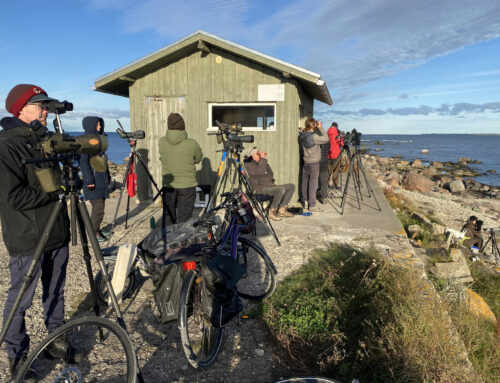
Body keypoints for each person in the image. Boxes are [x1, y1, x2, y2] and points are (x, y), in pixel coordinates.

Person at [0, 84, 72, 381]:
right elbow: (11, 197)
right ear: (19, 109)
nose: (45, 111)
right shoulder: (6, 145)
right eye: (39, 106)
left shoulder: (43, 140)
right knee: (21, 298)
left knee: (55, 291)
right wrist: (54, 191)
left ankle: (57, 337)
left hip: (56, 230)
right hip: (28, 236)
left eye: (46, 106)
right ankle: (17, 354)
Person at [159, 113, 202, 227]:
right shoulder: (192, 143)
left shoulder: (162, 142)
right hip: (187, 185)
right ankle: (182, 241)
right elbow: (198, 158)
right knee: (185, 217)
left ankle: (168, 239)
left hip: (169, 185)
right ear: (183, 125)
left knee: (168, 215)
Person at [80, 116, 111, 242]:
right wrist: (89, 180)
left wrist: (107, 178)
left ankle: (97, 230)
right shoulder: (87, 141)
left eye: (100, 124)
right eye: (97, 125)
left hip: (101, 179)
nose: (99, 127)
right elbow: (83, 162)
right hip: (93, 181)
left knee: (100, 207)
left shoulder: (98, 140)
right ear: (90, 125)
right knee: (98, 208)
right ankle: (93, 234)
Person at [243, 147, 295, 221]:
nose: (259, 155)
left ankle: (281, 209)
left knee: (291, 186)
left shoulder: (261, 163)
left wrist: (263, 162)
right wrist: (263, 159)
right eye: (257, 154)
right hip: (260, 189)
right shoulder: (248, 165)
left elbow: (270, 174)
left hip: (270, 185)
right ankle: (272, 212)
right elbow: (260, 172)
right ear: (252, 156)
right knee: (281, 189)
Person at [298, 118, 329, 212]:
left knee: (305, 182)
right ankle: (312, 205)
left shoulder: (302, 135)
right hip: (314, 162)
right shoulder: (314, 136)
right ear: (313, 125)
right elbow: (326, 139)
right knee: (313, 183)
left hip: (305, 161)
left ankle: (305, 201)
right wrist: (321, 128)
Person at [327, 122, 343, 189]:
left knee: (328, 170)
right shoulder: (338, 134)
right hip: (336, 154)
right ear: (337, 127)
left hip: (328, 154)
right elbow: (342, 144)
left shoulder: (327, 133)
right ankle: (335, 184)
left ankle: (327, 184)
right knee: (336, 170)